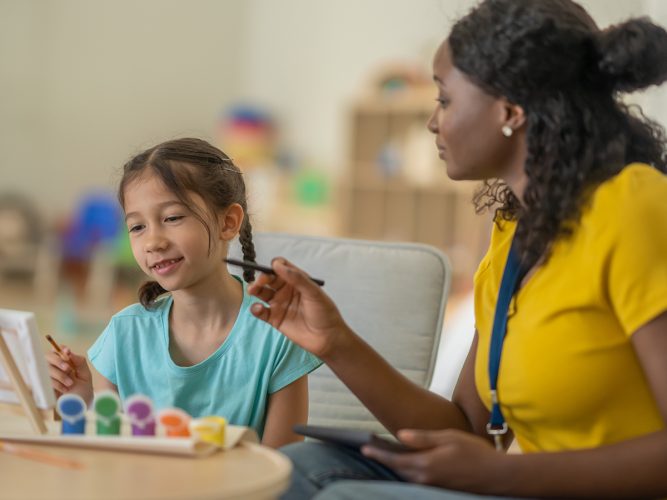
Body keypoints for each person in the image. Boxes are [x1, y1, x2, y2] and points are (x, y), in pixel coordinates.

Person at [247, 0, 667, 496]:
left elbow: (492, 464)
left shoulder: (634, 205)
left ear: (510, 110)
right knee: (303, 465)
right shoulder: (516, 234)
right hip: (524, 486)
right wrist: (336, 341)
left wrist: (505, 474)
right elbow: (470, 429)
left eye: (445, 100)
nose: (432, 122)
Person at [46, 138, 322, 447]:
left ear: (228, 222)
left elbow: (285, 469)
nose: (153, 241)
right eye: (137, 227)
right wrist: (81, 402)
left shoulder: (277, 334)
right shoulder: (125, 333)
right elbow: (111, 455)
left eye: (173, 218)